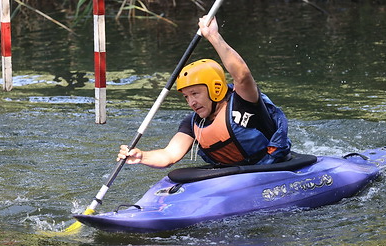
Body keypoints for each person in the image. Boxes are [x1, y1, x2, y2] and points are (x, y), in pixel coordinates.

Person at [117, 16, 291, 168]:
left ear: (215, 88)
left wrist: (213, 36)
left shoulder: (244, 101)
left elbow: (242, 75)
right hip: (233, 175)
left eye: (195, 93)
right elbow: (169, 155)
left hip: (272, 166)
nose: (191, 102)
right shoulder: (193, 123)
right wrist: (142, 157)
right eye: (186, 96)